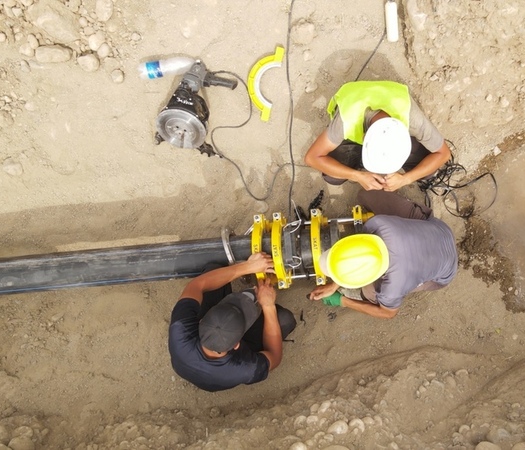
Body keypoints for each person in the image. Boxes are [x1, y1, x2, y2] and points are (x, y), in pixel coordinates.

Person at [308, 189, 458, 319]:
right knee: (366, 195)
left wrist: (342, 300)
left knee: (369, 293)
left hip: (445, 270)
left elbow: (387, 313)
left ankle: (361, 295)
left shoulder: (392, 286)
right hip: (439, 230)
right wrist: (335, 285)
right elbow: (358, 255)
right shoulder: (379, 224)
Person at [168, 253, 296, 392]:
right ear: (237, 344)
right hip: (219, 374)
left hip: (190, 359)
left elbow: (197, 285)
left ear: (202, 321)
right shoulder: (244, 368)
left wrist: (248, 267)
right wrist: (268, 306)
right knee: (284, 320)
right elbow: (275, 357)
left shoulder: (180, 331)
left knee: (213, 269)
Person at [303, 80, 452, 192]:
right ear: (363, 137)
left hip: (389, 99)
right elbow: (312, 157)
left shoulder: (413, 119)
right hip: (355, 101)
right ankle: (358, 164)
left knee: (428, 170)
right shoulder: (347, 119)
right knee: (333, 177)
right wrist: (357, 176)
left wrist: (406, 179)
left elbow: (444, 153)